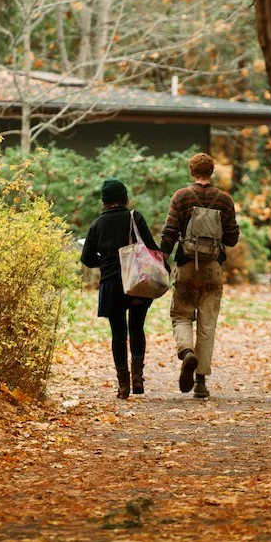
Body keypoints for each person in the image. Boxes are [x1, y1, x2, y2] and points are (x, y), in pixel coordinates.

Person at [160, 152, 239, 399]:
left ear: (192, 171)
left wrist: (161, 257)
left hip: (186, 267)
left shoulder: (181, 197)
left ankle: (186, 352)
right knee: (207, 323)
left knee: (182, 315)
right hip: (213, 268)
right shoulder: (224, 200)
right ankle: (201, 383)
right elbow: (232, 238)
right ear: (212, 172)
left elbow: (170, 232)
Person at [81, 178, 161, 399]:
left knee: (118, 332)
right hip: (137, 282)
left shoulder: (97, 225)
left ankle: (123, 384)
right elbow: (151, 248)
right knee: (137, 327)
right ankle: (137, 377)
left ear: (104, 201)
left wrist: (105, 262)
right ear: (124, 198)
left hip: (112, 284)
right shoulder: (135, 218)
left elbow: (87, 259)